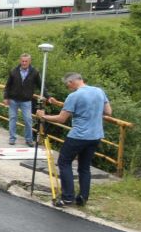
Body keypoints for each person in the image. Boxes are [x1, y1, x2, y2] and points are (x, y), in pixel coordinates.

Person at [36, 72, 112, 208]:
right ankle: (83, 197)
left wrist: (44, 116)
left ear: (71, 82)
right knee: (84, 167)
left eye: (67, 85)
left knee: (64, 163)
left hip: (78, 135)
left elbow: (61, 118)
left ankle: (67, 198)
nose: (68, 88)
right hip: (95, 135)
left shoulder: (74, 96)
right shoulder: (99, 91)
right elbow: (108, 112)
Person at [3, 53, 43, 147]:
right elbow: (8, 86)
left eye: (26, 61)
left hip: (26, 101)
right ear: (20, 61)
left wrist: (48, 97)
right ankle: (12, 138)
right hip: (13, 100)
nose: (24, 63)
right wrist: (6, 97)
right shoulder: (14, 71)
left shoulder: (34, 72)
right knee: (13, 118)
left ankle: (29, 139)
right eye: (22, 61)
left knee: (28, 120)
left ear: (29, 62)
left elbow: (41, 86)